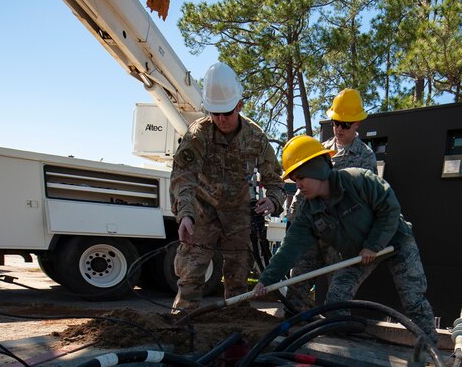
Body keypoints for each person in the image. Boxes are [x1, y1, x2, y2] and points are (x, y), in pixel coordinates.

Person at [252, 135, 438, 340]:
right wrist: (266, 281)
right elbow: (290, 248)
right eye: (295, 180)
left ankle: (430, 345)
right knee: (336, 301)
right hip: (358, 253)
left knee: (413, 300)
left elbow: (390, 209)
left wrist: (373, 245)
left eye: (301, 178)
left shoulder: (358, 180)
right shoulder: (308, 210)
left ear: (316, 169)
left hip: (395, 242)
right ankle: (347, 344)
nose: (298, 185)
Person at [169, 62, 285, 313]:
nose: (220, 119)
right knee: (191, 274)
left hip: (239, 216)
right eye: (215, 113)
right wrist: (185, 215)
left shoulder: (255, 137)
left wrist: (273, 201)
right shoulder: (198, 134)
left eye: (227, 113)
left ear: (240, 106)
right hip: (203, 212)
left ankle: (236, 331)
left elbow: (275, 180)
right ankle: (181, 326)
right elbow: (183, 178)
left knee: (238, 280)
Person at [286, 89, 379, 311]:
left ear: (357, 123)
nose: (338, 129)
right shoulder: (319, 151)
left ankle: (335, 332)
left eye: (345, 124)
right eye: (335, 122)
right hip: (313, 232)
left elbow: (369, 201)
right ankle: (288, 334)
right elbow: (302, 187)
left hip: (340, 238)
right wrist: (293, 218)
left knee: (337, 300)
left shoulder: (365, 158)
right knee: (295, 286)